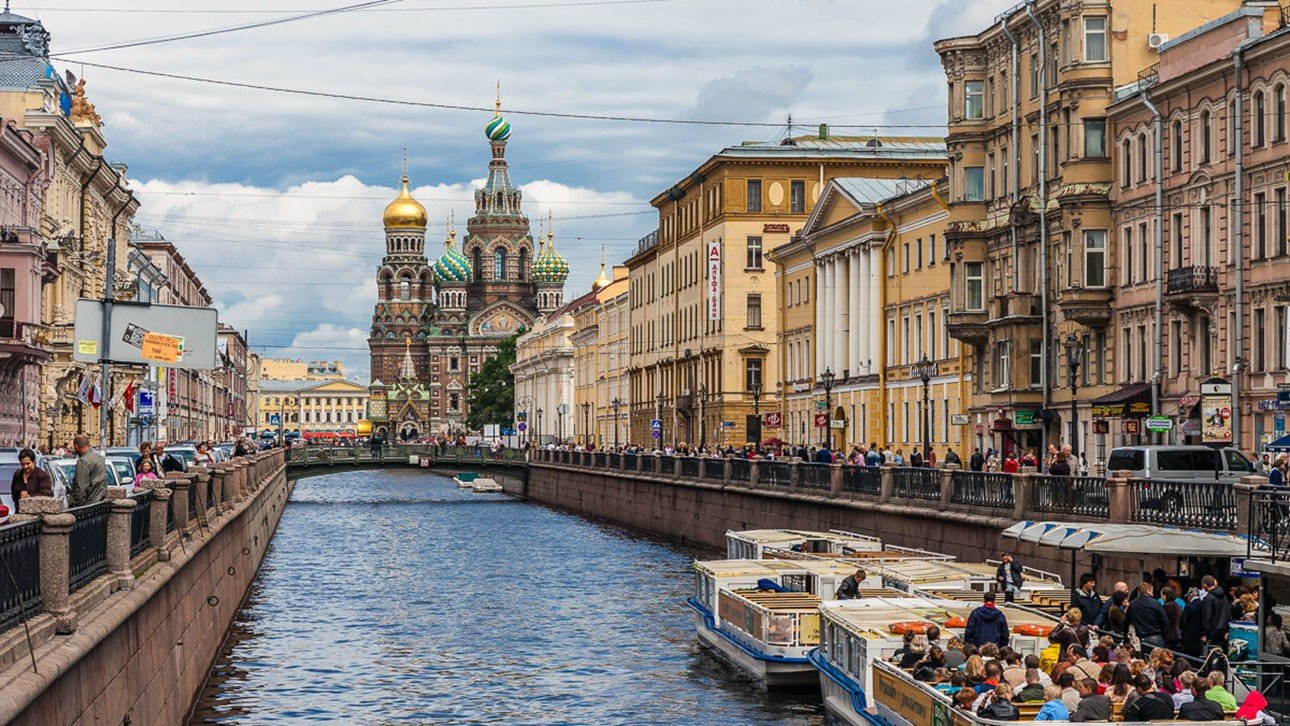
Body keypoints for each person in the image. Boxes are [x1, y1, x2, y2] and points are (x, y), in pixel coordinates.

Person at [1127, 581, 1170, 652]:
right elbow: (1164, 621)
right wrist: (1164, 635)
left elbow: (1127, 621)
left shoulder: (1132, 604)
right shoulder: (1156, 603)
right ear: (1148, 591)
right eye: (1152, 591)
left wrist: (1125, 634)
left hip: (1142, 638)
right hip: (1157, 636)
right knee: (1159, 660)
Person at [70, 434, 107, 507]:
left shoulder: (83, 461)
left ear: (76, 447)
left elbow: (81, 488)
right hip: (100, 503)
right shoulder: (98, 458)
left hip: (88, 506)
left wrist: (76, 505)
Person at [1199, 575, 1231, 655]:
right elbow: (1228, 612)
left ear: (1205, 585)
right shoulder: (1224, 596)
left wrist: (1204, 633)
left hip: (1212, 631)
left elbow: (1207, 617)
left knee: (1211, 655)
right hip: (1224, 629)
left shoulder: (1208, 598)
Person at [1181, 587, 1206, 657]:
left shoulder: (1189, 607)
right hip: (1200, 636)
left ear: (1190, 596)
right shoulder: (1204, 605)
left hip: (1189, 637)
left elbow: (1184, 621)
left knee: (1188, 657)